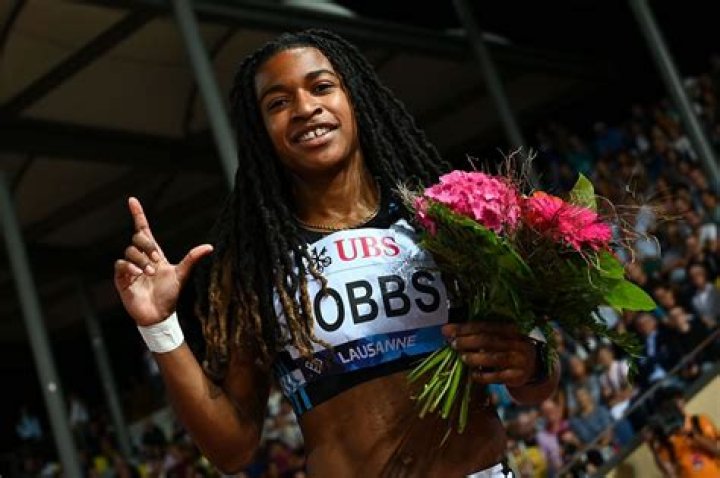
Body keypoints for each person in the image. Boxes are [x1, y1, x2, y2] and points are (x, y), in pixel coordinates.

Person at [114, 29, 559, 477]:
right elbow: (233, 449)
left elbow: (535, 386)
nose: (305, 108)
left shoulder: (441, 219)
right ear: (260, 132)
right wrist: (159, 326)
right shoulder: (256, 267)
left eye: (322, 86)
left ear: (354, 97)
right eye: (278, 103)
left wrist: (530, 362)